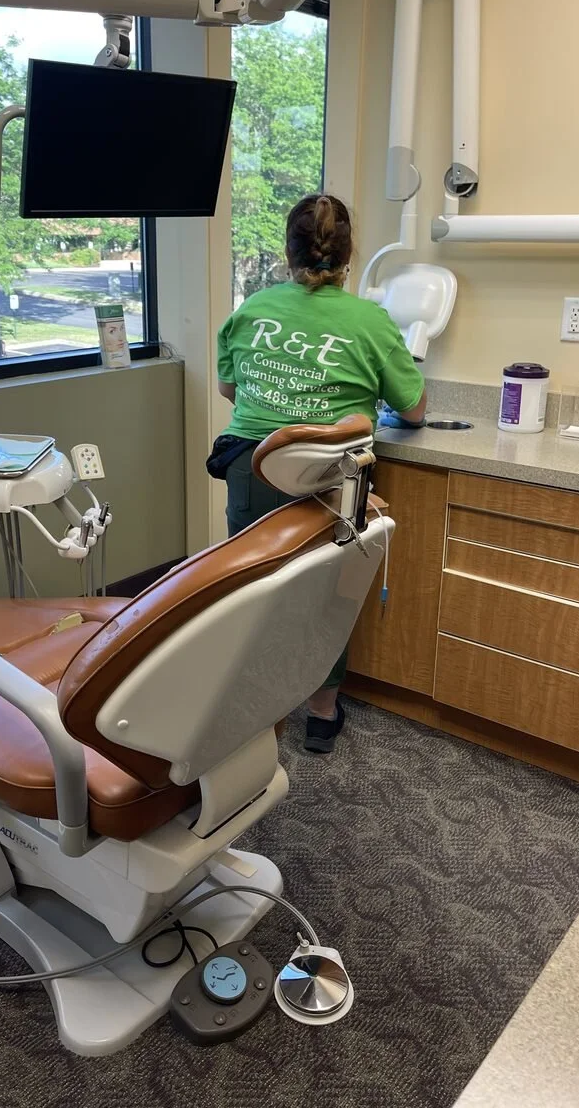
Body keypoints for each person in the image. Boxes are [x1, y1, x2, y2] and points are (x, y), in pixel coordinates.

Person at [211, 194, 426, 754]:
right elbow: (415, 408)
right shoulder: (370, 321)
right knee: (329, 596)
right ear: (348, 256)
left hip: (254, 468)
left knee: (253, 588)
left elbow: (230, 389)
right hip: (336, 479)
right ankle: (322, 712)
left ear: (288, 252)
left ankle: (251, 707)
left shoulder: (251, 310)